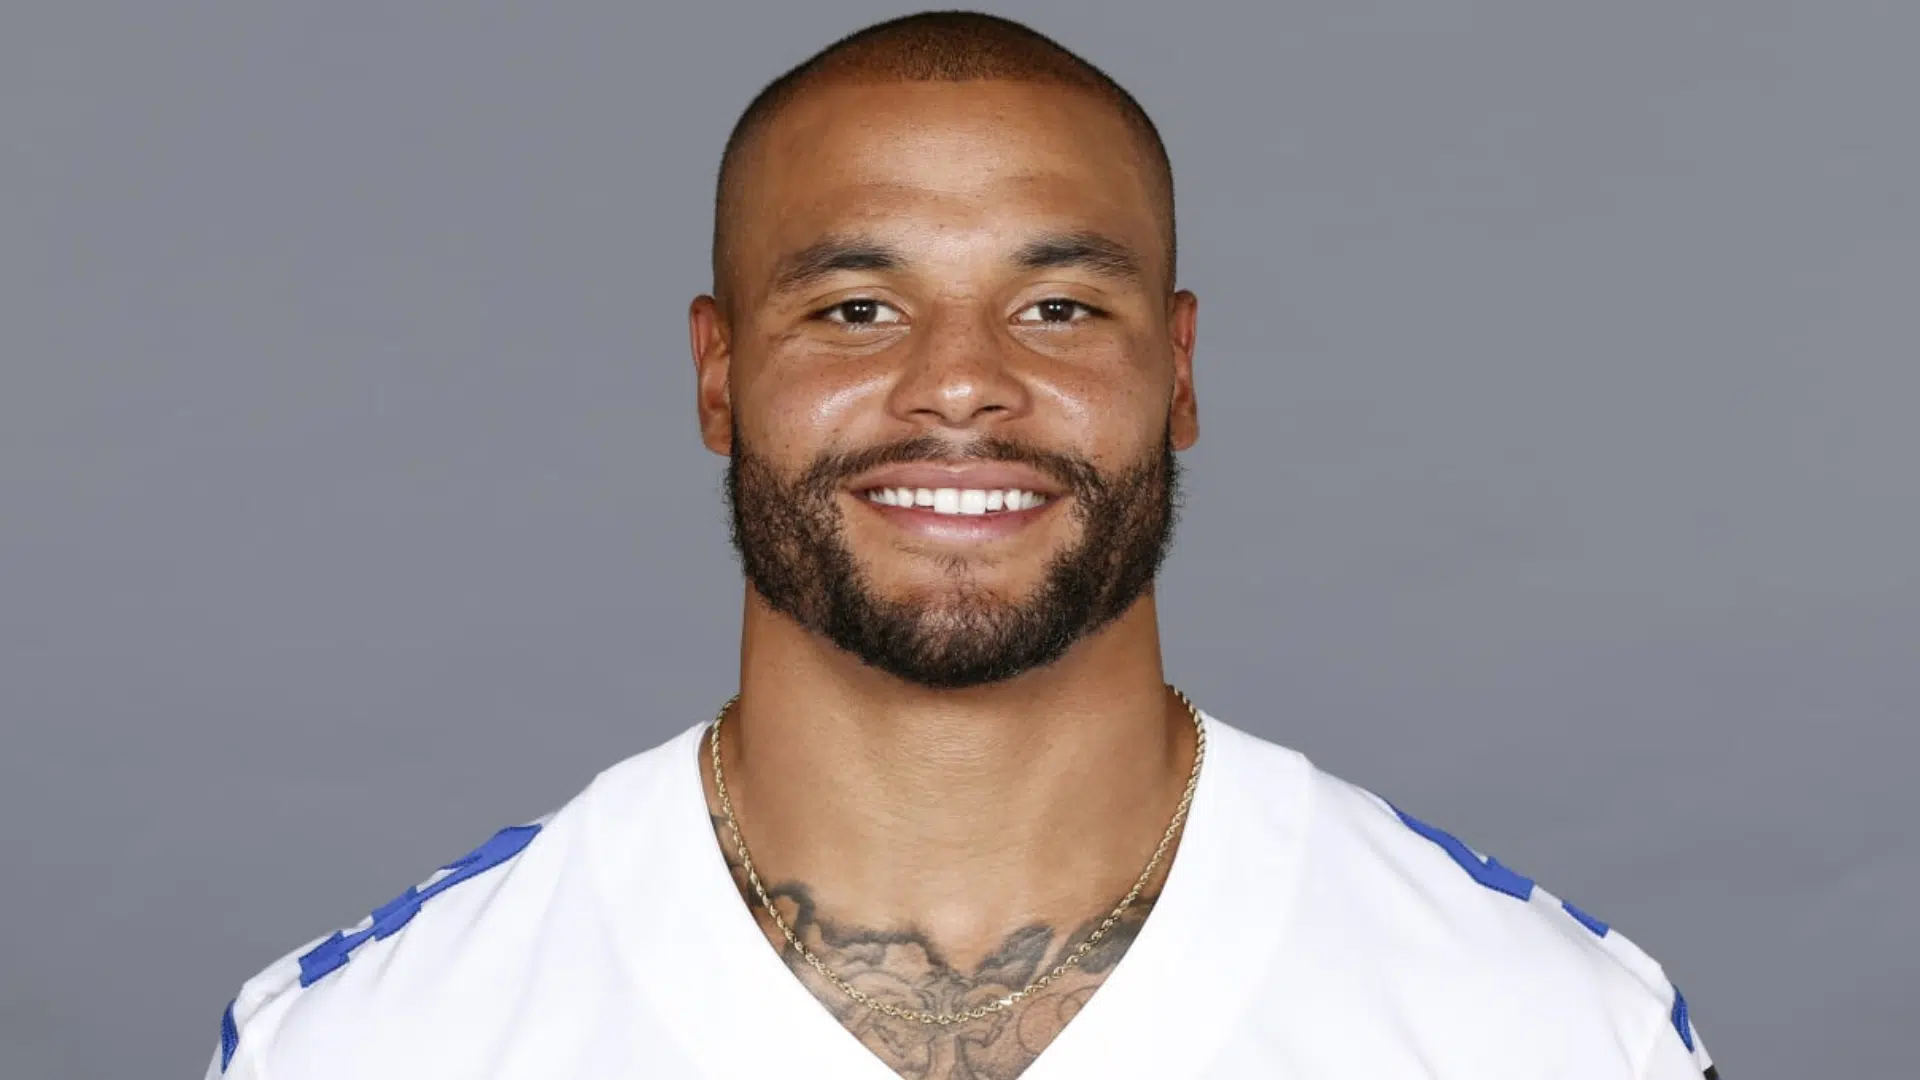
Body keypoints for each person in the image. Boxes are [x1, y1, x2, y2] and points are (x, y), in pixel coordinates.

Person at [206, 11, 1717, 1079]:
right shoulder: (374, 1046)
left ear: (1179, 371)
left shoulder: (1543, 1034)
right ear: (717, 374)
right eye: (855, 309)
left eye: (1059, 307)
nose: (959, 382)